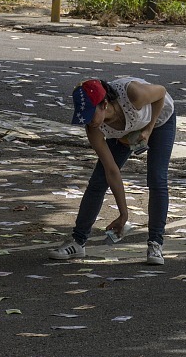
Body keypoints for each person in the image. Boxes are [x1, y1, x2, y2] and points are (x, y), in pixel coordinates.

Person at [49, 77, 176, 265]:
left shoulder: (134, 94)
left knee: (157, 178)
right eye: (83, 116)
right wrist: (123, 214)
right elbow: (112, 171)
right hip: (125, 131)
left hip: (158, 119)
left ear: (104, 104)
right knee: (98, 181)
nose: (88, 121)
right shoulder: (94, 128)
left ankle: (155, 243)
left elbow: (161, 92)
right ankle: (78, 242)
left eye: (91, 114)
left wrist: (148, 130)